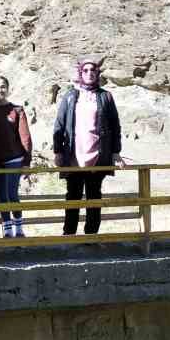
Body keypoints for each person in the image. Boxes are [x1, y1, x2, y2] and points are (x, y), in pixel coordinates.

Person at [53, 57, 125, 235]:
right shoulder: (70, 96)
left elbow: (115, 126)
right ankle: (69, 234)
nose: (89, 73)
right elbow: (59, 125)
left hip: (97, 154)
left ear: (97, 73)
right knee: (73, 195)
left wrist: (116, 152)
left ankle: (91, 235)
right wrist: (58, 151)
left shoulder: (105, 96)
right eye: (85, 70)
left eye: (93, 70)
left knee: (94, 196)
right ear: (80, 73)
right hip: (74, 155)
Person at [0, 76, 33, 238]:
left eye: (3, 86)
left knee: (12, 194)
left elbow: (25, 137)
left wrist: (26, 162)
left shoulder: (17, 110)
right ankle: (6, 229)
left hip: (14, 158)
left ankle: (18, 227)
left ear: (8, 88)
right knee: (1, 196)